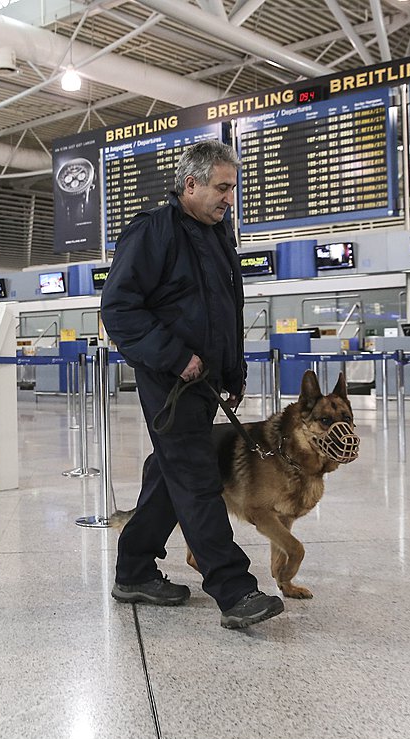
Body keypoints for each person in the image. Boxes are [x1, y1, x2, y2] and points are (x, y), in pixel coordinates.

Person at [100, 140, 285, 629]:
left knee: (169, 476)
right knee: (198, 480)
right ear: (192, 184)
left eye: (232, 189)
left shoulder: (217, 235)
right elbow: (118, 310)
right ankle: (234, 590)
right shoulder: (153, 233)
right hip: (171, 382)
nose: (230, 199)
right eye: (222, 188)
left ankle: (134, 570)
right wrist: (176, 357)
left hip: (205, 383)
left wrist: (232, 374)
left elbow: (226, 314)